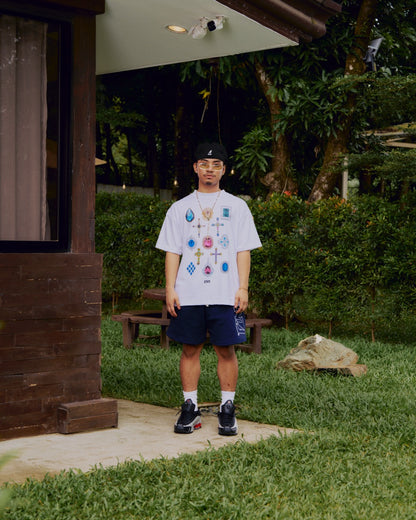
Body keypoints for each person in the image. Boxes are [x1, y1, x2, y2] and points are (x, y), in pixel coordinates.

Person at [156, 142, 261, 435]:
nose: (209, 170)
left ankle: (227, 408)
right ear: (195, 168)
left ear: (224, 170)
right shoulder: (180, 208)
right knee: (190, 349)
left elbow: (243, 250)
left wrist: (243, 288)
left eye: (216, 165)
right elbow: (172, 251)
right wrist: (170, 288)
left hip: (225, 293)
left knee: (226, 349)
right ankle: (190, 407)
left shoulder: (237, 207)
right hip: (189, 293)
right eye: (204, 164)